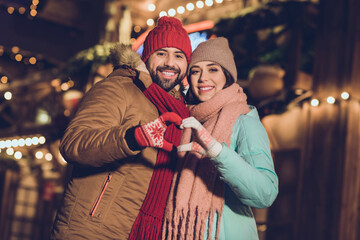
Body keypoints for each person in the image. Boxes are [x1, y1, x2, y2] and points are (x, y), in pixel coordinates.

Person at [50, 16, 191, 240]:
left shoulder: (182, 113)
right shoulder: (120, 87)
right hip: (92, 230)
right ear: (148, 56)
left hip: (141, 233)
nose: (170, 63)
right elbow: (73, 143)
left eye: (179, 55)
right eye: (161, 53)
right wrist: (131, 138)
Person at [162, 37, 279, 240]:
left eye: (213, 69)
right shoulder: (187, 121)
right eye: (195, 71)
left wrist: (217, 151)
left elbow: (265, 193)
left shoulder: (244, 121)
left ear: (227, 75)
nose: (203, 78)